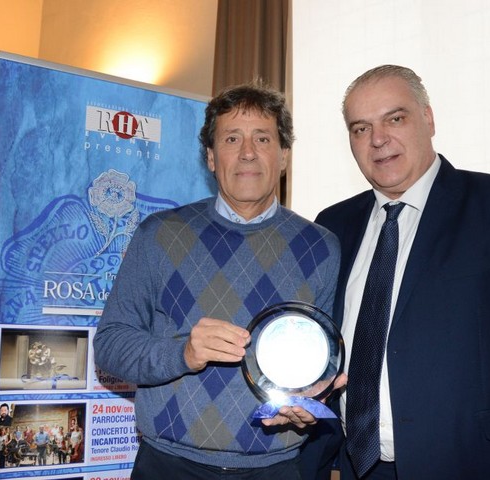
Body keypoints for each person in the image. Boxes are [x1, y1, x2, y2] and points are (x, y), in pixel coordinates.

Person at [304, 65, 490, 479]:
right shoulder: (333, 226)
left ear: (428, 119)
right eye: (361, 128)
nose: (378, 139)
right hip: (359, 468)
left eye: (395, 118)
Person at [94, 82, 342, 480]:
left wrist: (311, 401)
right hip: (167, 466)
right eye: (231, 138)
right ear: (211, 157)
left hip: (275, 469)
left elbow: (321, 363)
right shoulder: (159, 234)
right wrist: (183, 353)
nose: (248, 152)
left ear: (283, 156)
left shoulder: (321, 248)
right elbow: (110, 344)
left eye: (263, 138)